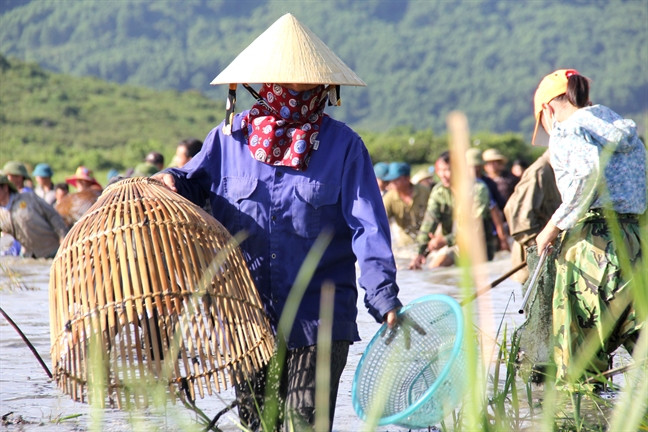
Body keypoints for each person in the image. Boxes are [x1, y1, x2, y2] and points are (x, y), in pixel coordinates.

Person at [153, 14, 405, 431]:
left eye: (309, 87)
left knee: (305, 422)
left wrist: (382, 297)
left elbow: (368, 227)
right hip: (246, 317)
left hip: (320, 317)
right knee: (257, 423)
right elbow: (189, 184)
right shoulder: (228, 139)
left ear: (326, 88)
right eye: (288, 87)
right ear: (264, 88)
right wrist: (169, 181)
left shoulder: (344, 147)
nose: (300, 95)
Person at [532, 69, 646, 387]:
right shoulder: (624, 133)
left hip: (593, 247)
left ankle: (583, 419)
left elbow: (585, 178)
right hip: (635, 243)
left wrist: (552, 229)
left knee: (579, 361)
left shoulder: (567, 130)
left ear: (549, 108)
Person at [409, 151, 497, 270]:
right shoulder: (438, 192)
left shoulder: (477, 189)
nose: (442, 175)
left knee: (440, 266)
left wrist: (445, 240)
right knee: (434, 270)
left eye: (447, 170)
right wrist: (418, 253)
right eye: (440, 170)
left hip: (478, 247)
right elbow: (429, 222)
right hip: (452, 245)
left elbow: (473, 226)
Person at [503, 150, 561, 283]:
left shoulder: (557, 170)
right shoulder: (539, 172)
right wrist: (538, 244)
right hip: (534, 261)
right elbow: (519, 219)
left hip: (549, 259)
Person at [0, 174, 68, 258]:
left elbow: (53, 215)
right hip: (31, 256)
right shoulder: (2, 213)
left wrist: (63, 236)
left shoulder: (29, 198)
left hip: (53, 250)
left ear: (5, 188)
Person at [465, 148, 510, 252]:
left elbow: (495, 209)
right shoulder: (463, 185)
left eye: (476, 166)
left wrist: (502, 237)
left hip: (489, 229)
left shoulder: (487, 183)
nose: (474, 169)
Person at [382, 162, 432, 245]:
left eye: (396, 179)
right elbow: (381, 220)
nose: (392, 183)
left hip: (428, 242)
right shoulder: (389, 198)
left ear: (407, 179)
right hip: (405, 245)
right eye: (391, 180)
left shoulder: (424, 192)